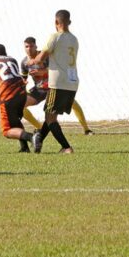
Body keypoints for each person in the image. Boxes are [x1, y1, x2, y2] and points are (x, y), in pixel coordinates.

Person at [20, 36, 93, 136]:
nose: (29, 49)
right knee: (20, 105)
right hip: (39, 89)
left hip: (53, 87)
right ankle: (39, 128)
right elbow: (23, 78)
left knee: (73, 103)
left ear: (36, 46)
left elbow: (58, 69)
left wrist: (43, 72)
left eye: (31, 46)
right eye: (26, 47)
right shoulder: (24, 62)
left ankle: (86, 129)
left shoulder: (44, 57)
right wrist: (22, 86)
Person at [29, 10, 79, 154]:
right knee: (50, 116)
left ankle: (66, 147)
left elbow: (40, 58)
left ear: (56, 22)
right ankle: (38, 142)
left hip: (58, 82)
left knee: (50, 117)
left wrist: (32, 61)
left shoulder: (55, 37)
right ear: (69, 22)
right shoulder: (74, 39)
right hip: (72, 82)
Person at [0, 44, 35, 152]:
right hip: (22, 94)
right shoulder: (12, 59)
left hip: (7, 96)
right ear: (5, 53)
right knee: (15, 121)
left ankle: (32, 137)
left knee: (6, 130)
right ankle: (24, 148)